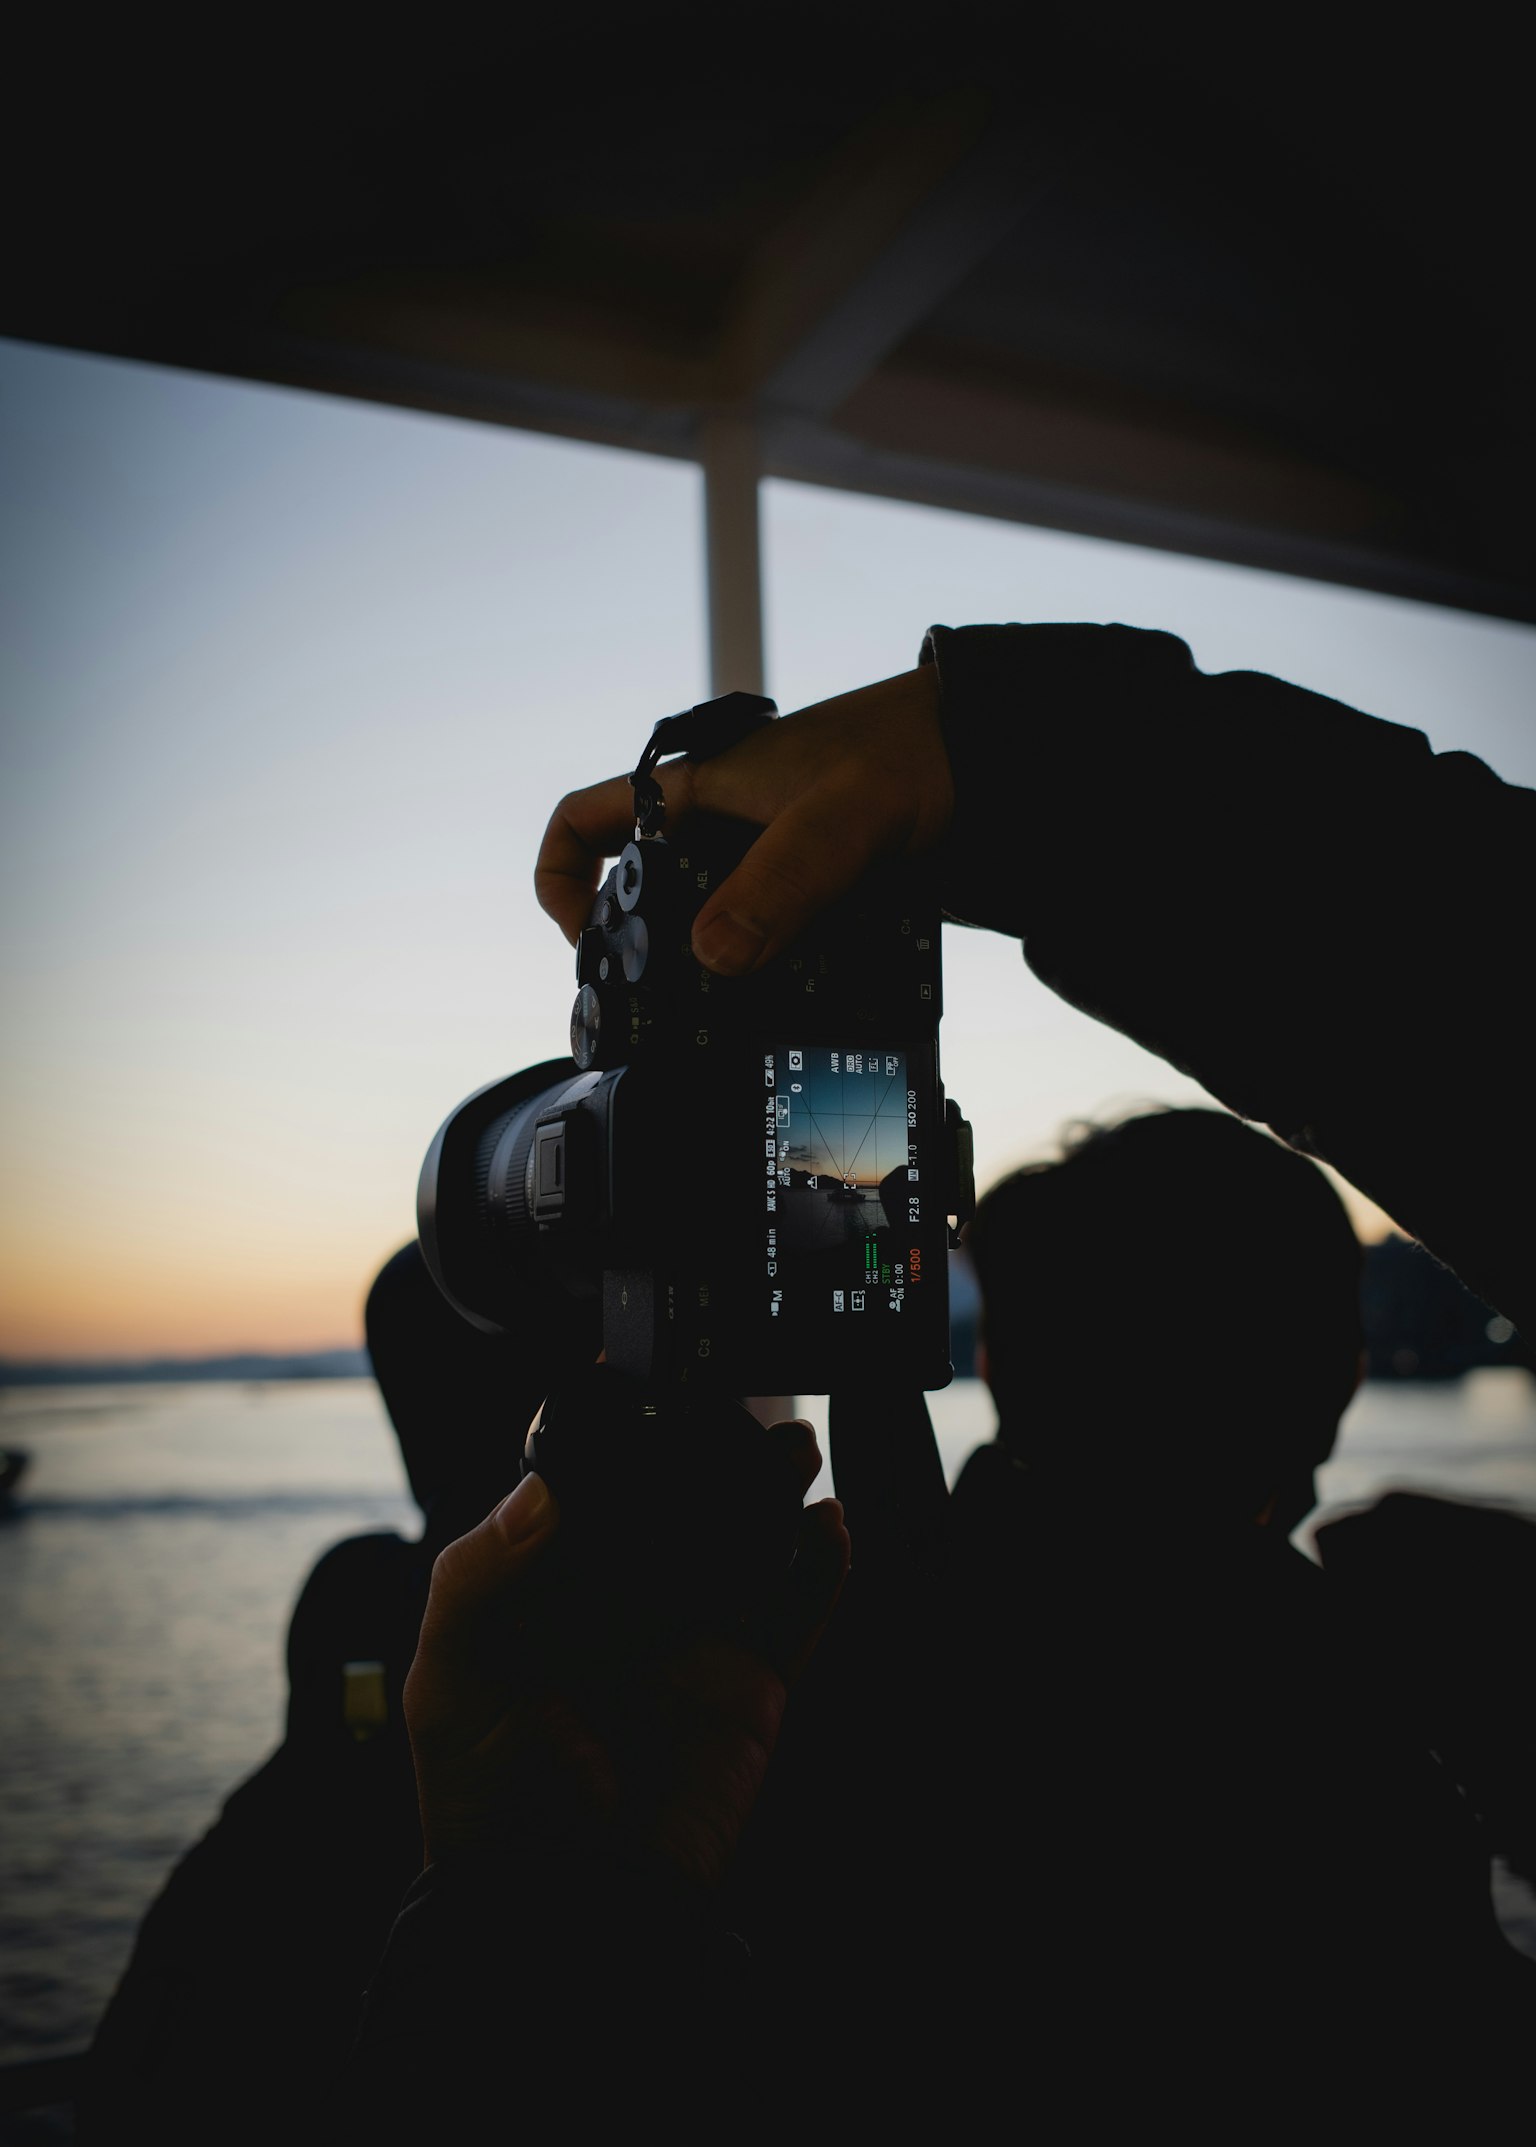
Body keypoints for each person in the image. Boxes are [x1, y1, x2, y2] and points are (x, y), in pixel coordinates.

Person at [365, 621, 1535, 2121]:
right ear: (1326, 1377)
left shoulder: (775, 1680)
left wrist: (526, 1928)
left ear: (1011, 1341)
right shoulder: (1333, 1718)